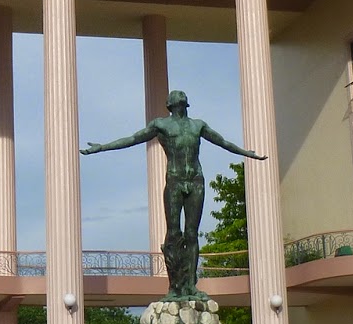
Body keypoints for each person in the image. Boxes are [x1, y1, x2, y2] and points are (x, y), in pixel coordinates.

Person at [83, 90, 265, 298]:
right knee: (173, 233)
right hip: (175, 181)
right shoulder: (161, 125)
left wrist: (246, 153)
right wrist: (102, 147)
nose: (180, 98)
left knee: (192, 234)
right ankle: (175, 285)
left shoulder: (198, 125)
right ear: (169, 104)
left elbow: (222, 142)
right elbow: (133, 139)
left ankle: (191, 284)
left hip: (195, 180)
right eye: (177, 97)